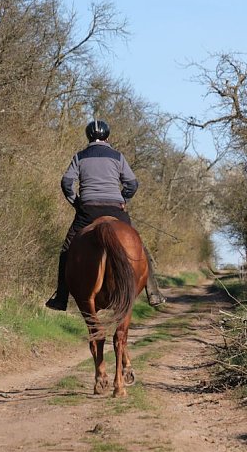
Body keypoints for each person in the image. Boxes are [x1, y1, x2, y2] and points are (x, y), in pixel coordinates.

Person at [45, 119, 166, 311]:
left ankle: (61, 297)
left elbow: (66, 183)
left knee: (67, 250)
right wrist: (123, 200)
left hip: (87, 211)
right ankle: (153, 293)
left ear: (88, 137)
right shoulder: (117, 157)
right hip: (115, 210)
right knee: (139, 246)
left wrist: (76, 202)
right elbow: (132, 184)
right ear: (107, 137)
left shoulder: (80, 157)